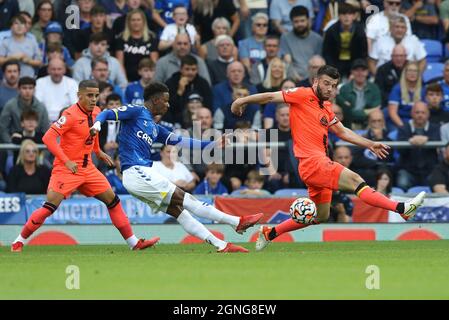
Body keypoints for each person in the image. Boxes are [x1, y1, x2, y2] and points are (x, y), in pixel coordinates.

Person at [230, 64, 426, 251]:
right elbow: (270, 97)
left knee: (321, 215)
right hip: (313, 162)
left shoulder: (326, 107)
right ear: (315, 81)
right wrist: (242, 100)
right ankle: (401, 207)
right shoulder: (301, 94)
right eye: (326, 83)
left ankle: (270, 232)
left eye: (333, 85)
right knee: (356, 181)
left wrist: (370, 143)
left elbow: (342, 131)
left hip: (315, 165)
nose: (330, 88)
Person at [90, 81, 264, 253]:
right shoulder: (137, 111)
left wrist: (211, 144)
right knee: (187, 199)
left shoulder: (155, 128)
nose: (168, 104)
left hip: (140, 176)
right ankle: (236, 222)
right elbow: (107, 113)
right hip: (137, 172)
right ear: (156, 100)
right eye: (165, 101)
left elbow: (181, 141)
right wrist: (97, 125)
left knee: (180, 212)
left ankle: (221, 245)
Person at [10, 80, 159, 253]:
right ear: (79, 95)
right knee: (50, 206)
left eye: (96, 95)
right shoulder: (70, 115)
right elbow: (48, 138)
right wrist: (66, 161)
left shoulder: (96, 111)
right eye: (89, 95)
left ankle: (134, 243)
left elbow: (92, 134)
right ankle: (18, 242)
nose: (94, 99)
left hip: (88, 169)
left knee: (113, 200)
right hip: (67, 169)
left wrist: (98, 151)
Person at [280, 5, 323, 82]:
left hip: (312, 79)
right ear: (291, 22)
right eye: (296, 21)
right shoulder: (285, 38)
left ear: (308, 20)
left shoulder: (317, 39)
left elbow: (319, 63)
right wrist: (295, 77)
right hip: (293, 79)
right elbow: (287, 62)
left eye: (302, 21)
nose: (299, 24)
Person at [0, 76, 49, 143]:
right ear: (18, 89)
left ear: (34, 90)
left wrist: (42, 152)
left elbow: (46, 131)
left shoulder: (41, 107)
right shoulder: (10, 105)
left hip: (37, 145)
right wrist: (11, 144)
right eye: (24, 88)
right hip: (15, 145)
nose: (27, 91)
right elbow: (3, 128)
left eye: (30, 88)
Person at [115, 8, 159, 82]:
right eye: (133, 20)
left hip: (146, 79)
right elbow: (120, 63)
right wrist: (125, 82)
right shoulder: (121, 39)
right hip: (127, 79)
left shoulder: (152, 38)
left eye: (138, 20)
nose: (136, 22)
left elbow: (154, 63)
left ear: (143, 22)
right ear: (128, 22)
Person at [34, 58, 78, 122]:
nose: (56, 72)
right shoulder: (39, 82)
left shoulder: (72, 83)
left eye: (59, 69)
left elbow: (75, 104)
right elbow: (37, 104)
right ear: (48, 70)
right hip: (44, 121)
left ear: (64, 70)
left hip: (66, 121)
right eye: (53, 69)